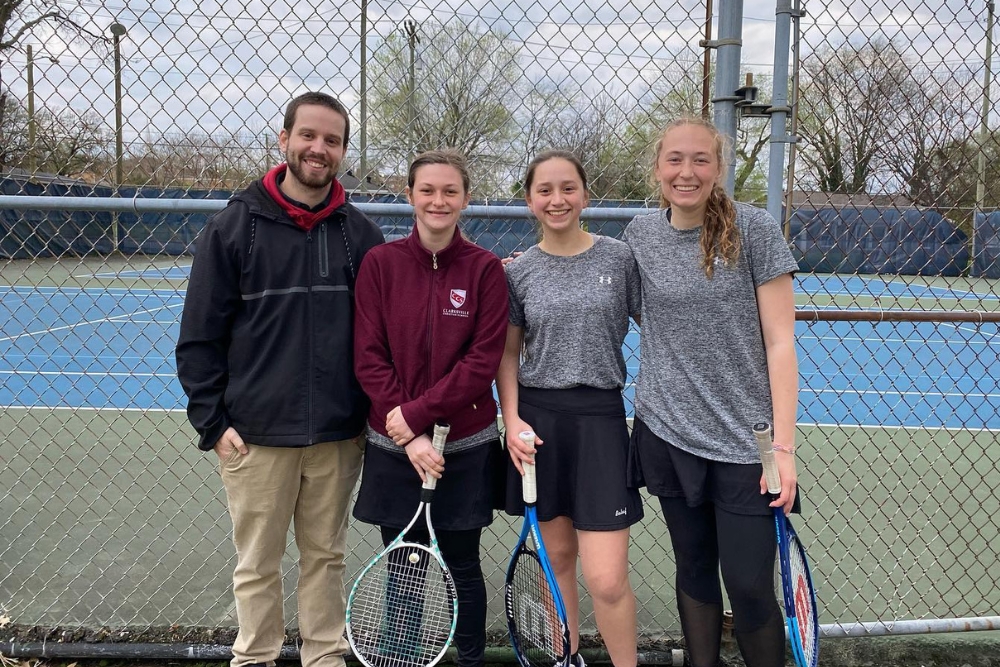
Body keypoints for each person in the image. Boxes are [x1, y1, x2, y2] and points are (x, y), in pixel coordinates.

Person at [175, 91, 384, 667]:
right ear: (284, 139)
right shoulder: (232, 228)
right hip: (256, 435)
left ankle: (324, 657)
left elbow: (387, 330)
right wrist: (212, 423)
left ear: (343, 151)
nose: (319, 149)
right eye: (309, 136)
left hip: (337, 435)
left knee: (326, 558)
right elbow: (198, 338)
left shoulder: (360, 235)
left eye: (332, 140)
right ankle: (255, 657)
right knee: (258, 565)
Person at [624, 116, 799, 667]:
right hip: (667, 435)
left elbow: (780, 341)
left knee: (748, 585)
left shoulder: (755, 229)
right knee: (694, 571)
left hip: (748, 449)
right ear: (657, 168)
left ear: (718, 168)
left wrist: (785, 449)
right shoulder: (640, 235)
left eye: (701, 159)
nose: (687, 171)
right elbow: (596, 290)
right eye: (675, 159)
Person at [351, 149, 509, 667]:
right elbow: (368, 357)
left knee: (462, 563)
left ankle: (470, 661)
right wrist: (410, 435)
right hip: (397, 447)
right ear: (411, 196)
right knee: (406, 565)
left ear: (465, 198)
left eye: (449, 192)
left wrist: (417, 417)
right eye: (427, 190)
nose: (438, 201)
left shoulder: (485, 270)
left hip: (464, 446)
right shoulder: (380, 264)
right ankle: (401, 658)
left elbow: (482, 361)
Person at [498, 150, 642, 667]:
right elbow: (508, 356)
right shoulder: (518, 273)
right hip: (539, 426)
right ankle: (566, 658)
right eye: (544, 190)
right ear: (530, 200)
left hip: (600, 423)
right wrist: (512, 421)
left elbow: (663, 327)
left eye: (567, 188)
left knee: (606, 579)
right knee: (557, 561)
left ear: (584, 193)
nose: (556, 200)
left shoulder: (619, 258)